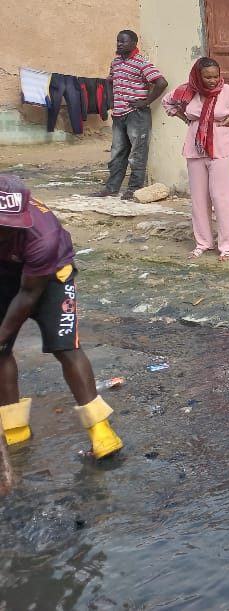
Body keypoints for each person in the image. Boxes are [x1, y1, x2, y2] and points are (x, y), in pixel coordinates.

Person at [0, 175, 123, 459]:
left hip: (50, 276)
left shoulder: (43, 236)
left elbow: (28, 296)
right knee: (2, 352)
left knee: (65, 347)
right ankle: (14, 429)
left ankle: (100, 429)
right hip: (4, 273)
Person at [162, 58, 229, 260]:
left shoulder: (228, 92)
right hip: (195, 148)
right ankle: (203, 243)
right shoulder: (187, 91)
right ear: (197, 76)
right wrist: (184, 118)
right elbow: (167, 102)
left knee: (221, 197)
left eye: (216, 76)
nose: (212, 80)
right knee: (199, 199)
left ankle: (227, 246)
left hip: (222, 147)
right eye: (207, 77)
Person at [94, 29, 168, 200]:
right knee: (117, 153)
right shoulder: (116, 62)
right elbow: (110, 81)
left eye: (123, 41)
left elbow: (161, 82)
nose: (119, 44)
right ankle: (111, 188)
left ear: (134, 43)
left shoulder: (141, 63)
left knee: (137, 154)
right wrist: (112, 102)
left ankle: (133, 189)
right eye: (118, 41)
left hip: (137, 115)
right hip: (119, 114)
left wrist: (146, 101)